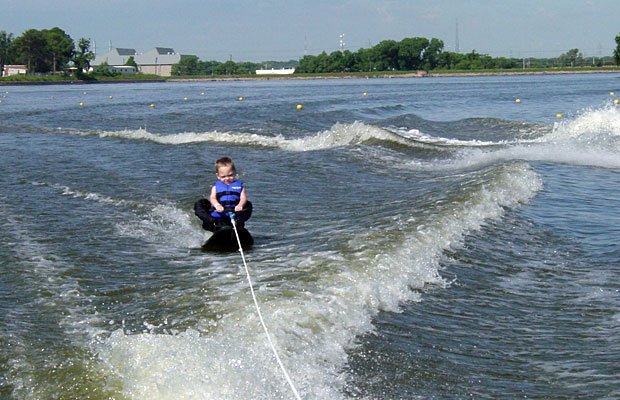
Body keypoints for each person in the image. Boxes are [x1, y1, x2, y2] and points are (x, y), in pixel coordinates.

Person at [194, 157, 252, 232]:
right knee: (200, 203)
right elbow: (213, 198)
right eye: (223, 176)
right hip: (219, 214)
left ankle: (238, 228)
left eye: (230, 175)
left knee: (248, 205)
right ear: (218, 176)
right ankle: (213, 224)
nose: (227, 178)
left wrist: (240, 205)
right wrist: (217, 205)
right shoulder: (215, 187)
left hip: (234, 214)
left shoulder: (240, 187)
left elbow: (243, 198)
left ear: (234, 173)